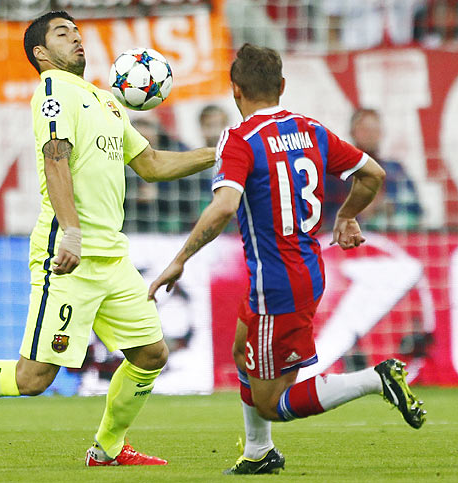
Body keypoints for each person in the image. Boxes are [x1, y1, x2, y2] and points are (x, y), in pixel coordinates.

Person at [0, 10, 215, 467]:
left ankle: (108, 449)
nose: (77, 39)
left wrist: (221, 152)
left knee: (151, 353)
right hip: (68, 256)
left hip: (112, 259)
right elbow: (55, 159)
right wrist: (73, 235)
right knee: (34, 376)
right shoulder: (53, 92)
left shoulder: (106, 101)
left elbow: (153, 165)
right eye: (64, 34)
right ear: (41, 53)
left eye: (78, 33)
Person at [148, 44, 426, 476]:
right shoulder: (310, 129)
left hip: (276, 283)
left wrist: (179, 259)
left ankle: (377, 379)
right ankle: (258, 453)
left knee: (273, 403)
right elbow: (374, 173)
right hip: (304, 270)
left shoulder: (240, 140)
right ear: (281, 86)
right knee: (243, 351)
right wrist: (347, 215)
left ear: (235, 90)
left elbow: (223, 207)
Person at [349, 108, 422, 231]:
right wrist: (360, 213)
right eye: (364, 129)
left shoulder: (396, 171)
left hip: (394, 239)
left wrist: (391, 208)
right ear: (353, 132)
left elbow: (416, 213)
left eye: (374, 130)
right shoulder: (338, 175)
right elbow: (326, 219)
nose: (370, 135)